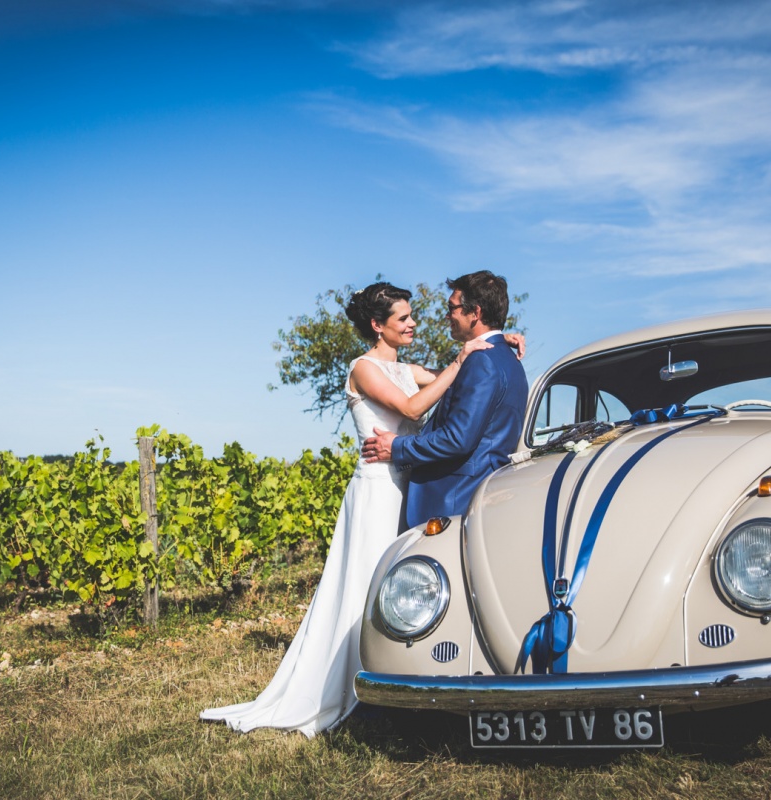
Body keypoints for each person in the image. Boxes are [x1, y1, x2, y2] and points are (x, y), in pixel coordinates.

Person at [200, 281, 524, 737]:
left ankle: (387, 671)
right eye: (403, 318)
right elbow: (414, 405)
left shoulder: (406, 367)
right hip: (377, 489)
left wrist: (494, 343)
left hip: (405, 484)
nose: (413, 323)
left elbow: (464, 382)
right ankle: (349, 686)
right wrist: (464, 354)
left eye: (412, 316)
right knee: (364, 584)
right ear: (378, 325)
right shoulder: (363, 368)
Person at [361, 270, 528, 528]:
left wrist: (396, 447)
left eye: (452, 308)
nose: (447, 315)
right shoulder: (511, 362)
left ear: (476, 313)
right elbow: (446, 378)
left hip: (453, 498)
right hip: (481, 494)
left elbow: (457, 439)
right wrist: (498, 338)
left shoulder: (482, 362)